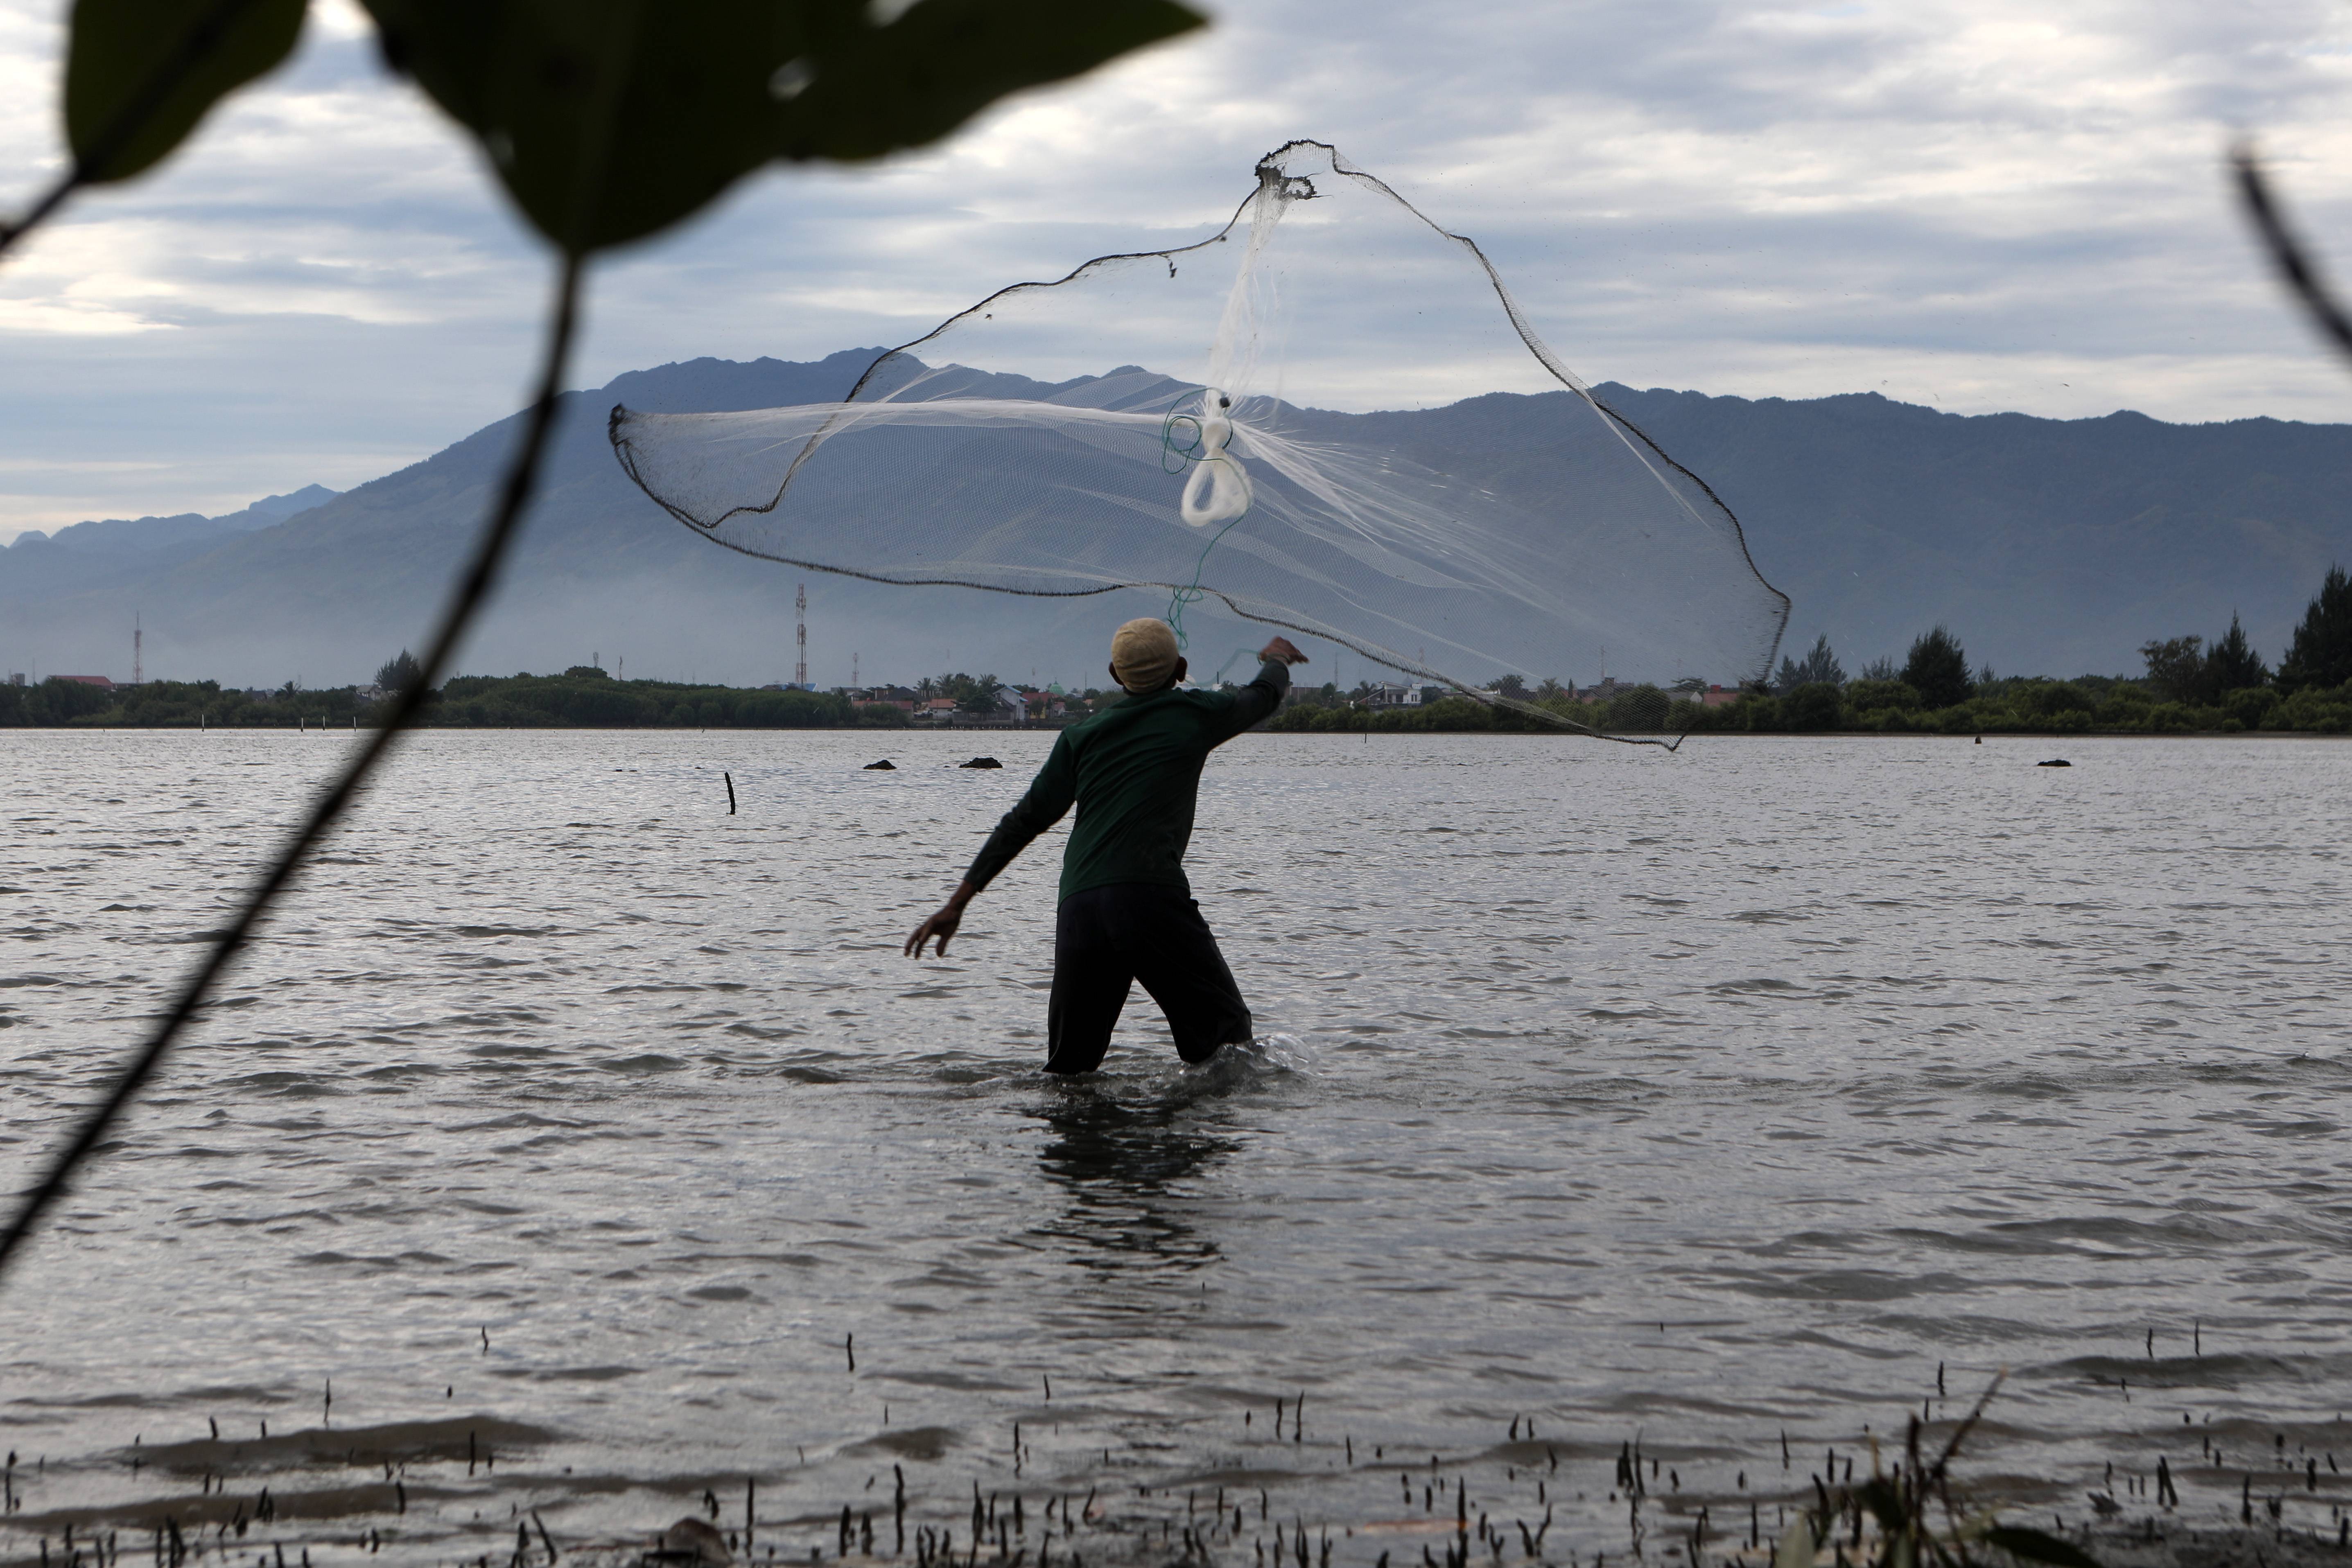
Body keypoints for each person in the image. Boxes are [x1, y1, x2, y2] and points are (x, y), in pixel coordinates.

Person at [904, 618, 1308, 1073]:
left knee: (1070, 1068)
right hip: (1149, 896)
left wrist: (957, 903)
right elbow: (1262, 697)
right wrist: (1275, 658)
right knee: (1226, 1041)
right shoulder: (1196, 713)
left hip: (1079, 906)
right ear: (1181, 668)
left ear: (1115, 676)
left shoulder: (1081, 737)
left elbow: (1023, 822)